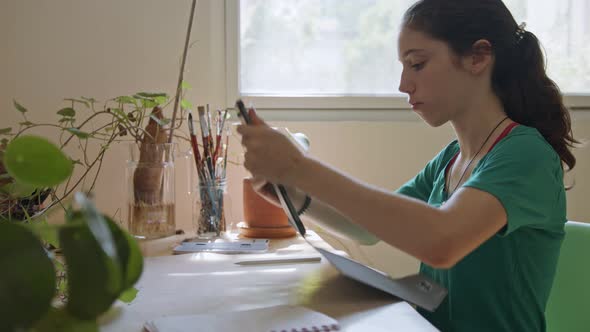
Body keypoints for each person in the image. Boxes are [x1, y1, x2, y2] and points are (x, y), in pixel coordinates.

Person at [237, 0, 579, 331]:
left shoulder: (526, 155)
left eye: (417, 64)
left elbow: (441, 240)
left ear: (478, 56)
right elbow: (367, 229)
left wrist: (299, 167)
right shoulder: (450, 159)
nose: (403, 85)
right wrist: (295, 197)